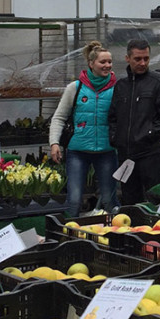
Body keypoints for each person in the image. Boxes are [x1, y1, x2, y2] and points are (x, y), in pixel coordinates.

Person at [49, 42, 118, 218]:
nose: (107, 66)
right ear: (91, 63)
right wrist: (54, 143)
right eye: (103, 62)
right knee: (74, 200)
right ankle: (70, 237)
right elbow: (59, 117)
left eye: (110, 62)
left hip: (107, 151)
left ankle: (112, 238)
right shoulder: (75, 88)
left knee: (109, 200)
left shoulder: (117, 88)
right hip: (78, 151)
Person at [108, 38, 160, 205]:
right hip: (126, 155)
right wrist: (115, 137)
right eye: (137, 59)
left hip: (150, 155)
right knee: (130, 202)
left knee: (156, 201)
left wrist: (149, 133)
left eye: (146, 59)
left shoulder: (159, 82)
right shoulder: (121, 86)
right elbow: (113, 117)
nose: (142, 63)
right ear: (128, 58)